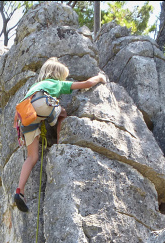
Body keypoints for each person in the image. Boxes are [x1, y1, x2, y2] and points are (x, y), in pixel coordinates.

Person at [14, 57, 107, 212]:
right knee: (62, 112)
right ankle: (59, 142)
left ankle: (19, 191)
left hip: (25, 116)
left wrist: (20, 133)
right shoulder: (56, 83)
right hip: (41, 104)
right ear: (58, 75)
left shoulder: (35, 86)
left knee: (32, 157)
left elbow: (17, 115)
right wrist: (99, 77)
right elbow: (86, 84)